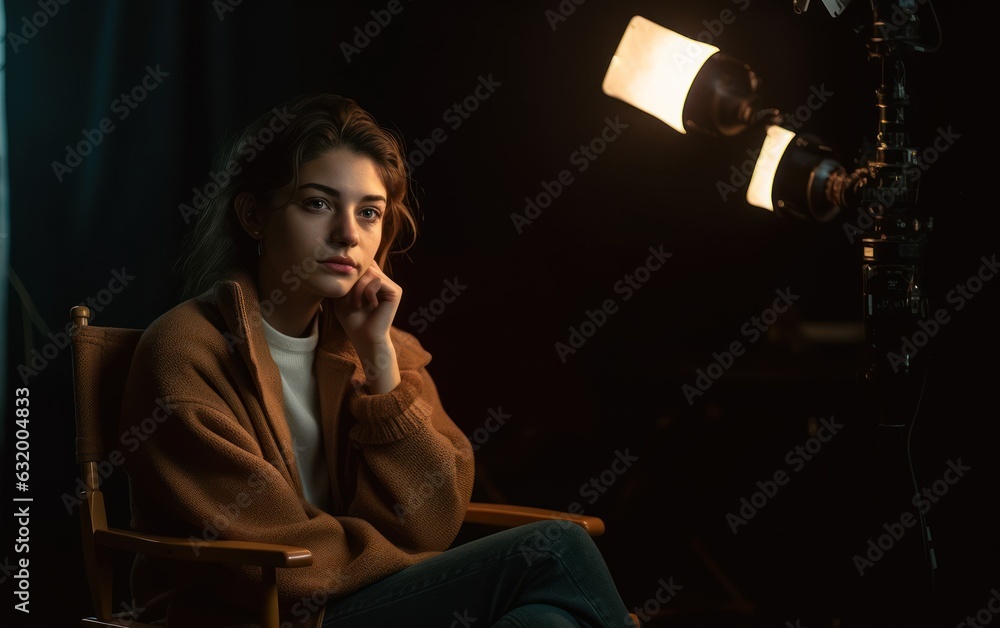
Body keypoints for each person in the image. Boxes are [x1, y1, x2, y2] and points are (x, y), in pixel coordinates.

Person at [118, 92, 636, 627]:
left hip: (370, 602)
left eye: (369, 213)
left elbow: (433, 520)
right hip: (264, 617)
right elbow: (279, 567)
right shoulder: (185, 352)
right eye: (317, 203)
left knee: (549, 624)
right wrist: (413, 563)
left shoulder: (382, 347)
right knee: (555, 547)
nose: (348, 235)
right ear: (252, 215)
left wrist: (380, 364)